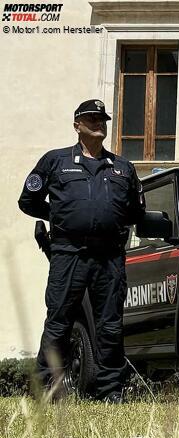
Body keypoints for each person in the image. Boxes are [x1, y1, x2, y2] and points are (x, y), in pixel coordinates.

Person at [18, 99, 146, 402]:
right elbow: (28, 200)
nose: (98, 123)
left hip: (109, 258)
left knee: (110, 325)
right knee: (59, 321)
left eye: (102, 119)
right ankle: (47, 390)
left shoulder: (123, 168)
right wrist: (59, 216)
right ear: (77, 125)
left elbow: (136, 211)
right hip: (68, 254)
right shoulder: (55, 161)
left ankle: (111, 392)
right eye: (91, 118)